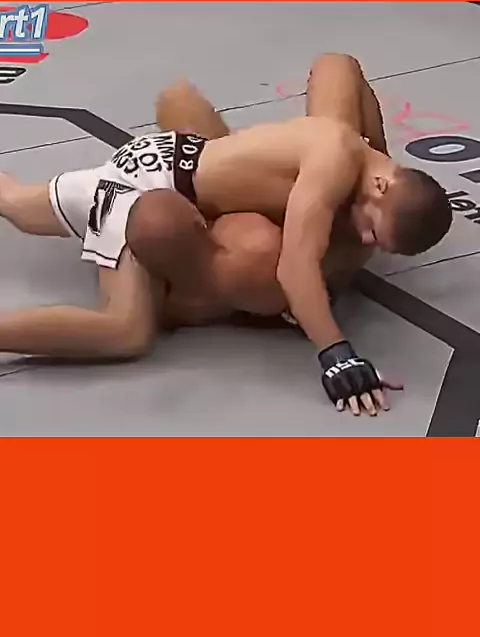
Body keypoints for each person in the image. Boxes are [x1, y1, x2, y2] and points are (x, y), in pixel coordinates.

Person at [0, 54, 451, 417]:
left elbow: (339, 65)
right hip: (137, 188)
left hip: (180, 161)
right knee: (125, 330)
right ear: (381, 186)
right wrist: (337, 352)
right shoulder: (333, 162)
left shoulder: (363, 156)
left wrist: (377, 156)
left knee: (19, 204)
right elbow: (296, 268)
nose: (367, 241)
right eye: (373, 229)